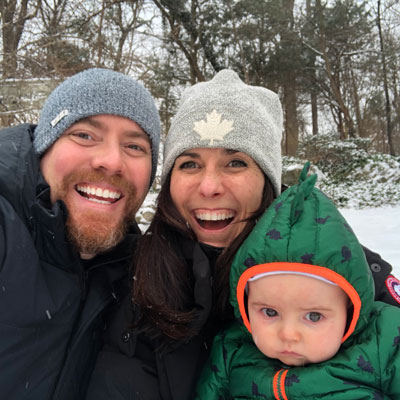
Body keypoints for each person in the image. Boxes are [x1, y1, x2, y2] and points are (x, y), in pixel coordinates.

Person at [86, 69, 400, 400]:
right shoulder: (135, 283)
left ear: (269, 182)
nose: (209, 186)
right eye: (189, 164)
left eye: (235, 163)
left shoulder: (349, 278)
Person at [0, 68, 160, 400]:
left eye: (134, 146)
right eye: (85, 135)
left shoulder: (133, 276)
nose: (112, 161)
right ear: (44, 147)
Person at [194, 164, 400, 399]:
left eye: (314, 316)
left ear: (351, 310)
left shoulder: (384, 342)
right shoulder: (232, 350)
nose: (288, 334)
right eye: (270, 312)